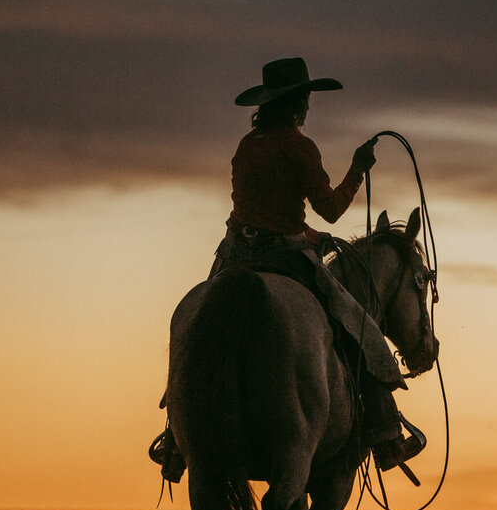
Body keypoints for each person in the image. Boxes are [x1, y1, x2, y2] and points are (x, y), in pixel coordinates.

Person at [152, 57, 424, 480]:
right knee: (359, 326)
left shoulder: (248, 146)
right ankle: (386, 434)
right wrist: (357, 169)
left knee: (197, 326)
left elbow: (265, 213)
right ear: (297, 104)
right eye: (307, 98)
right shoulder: (300, 148)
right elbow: (331, 210)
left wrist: (310, 236)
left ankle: (175, 439)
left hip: (235, 253)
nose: (310, 105)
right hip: (284, 258)